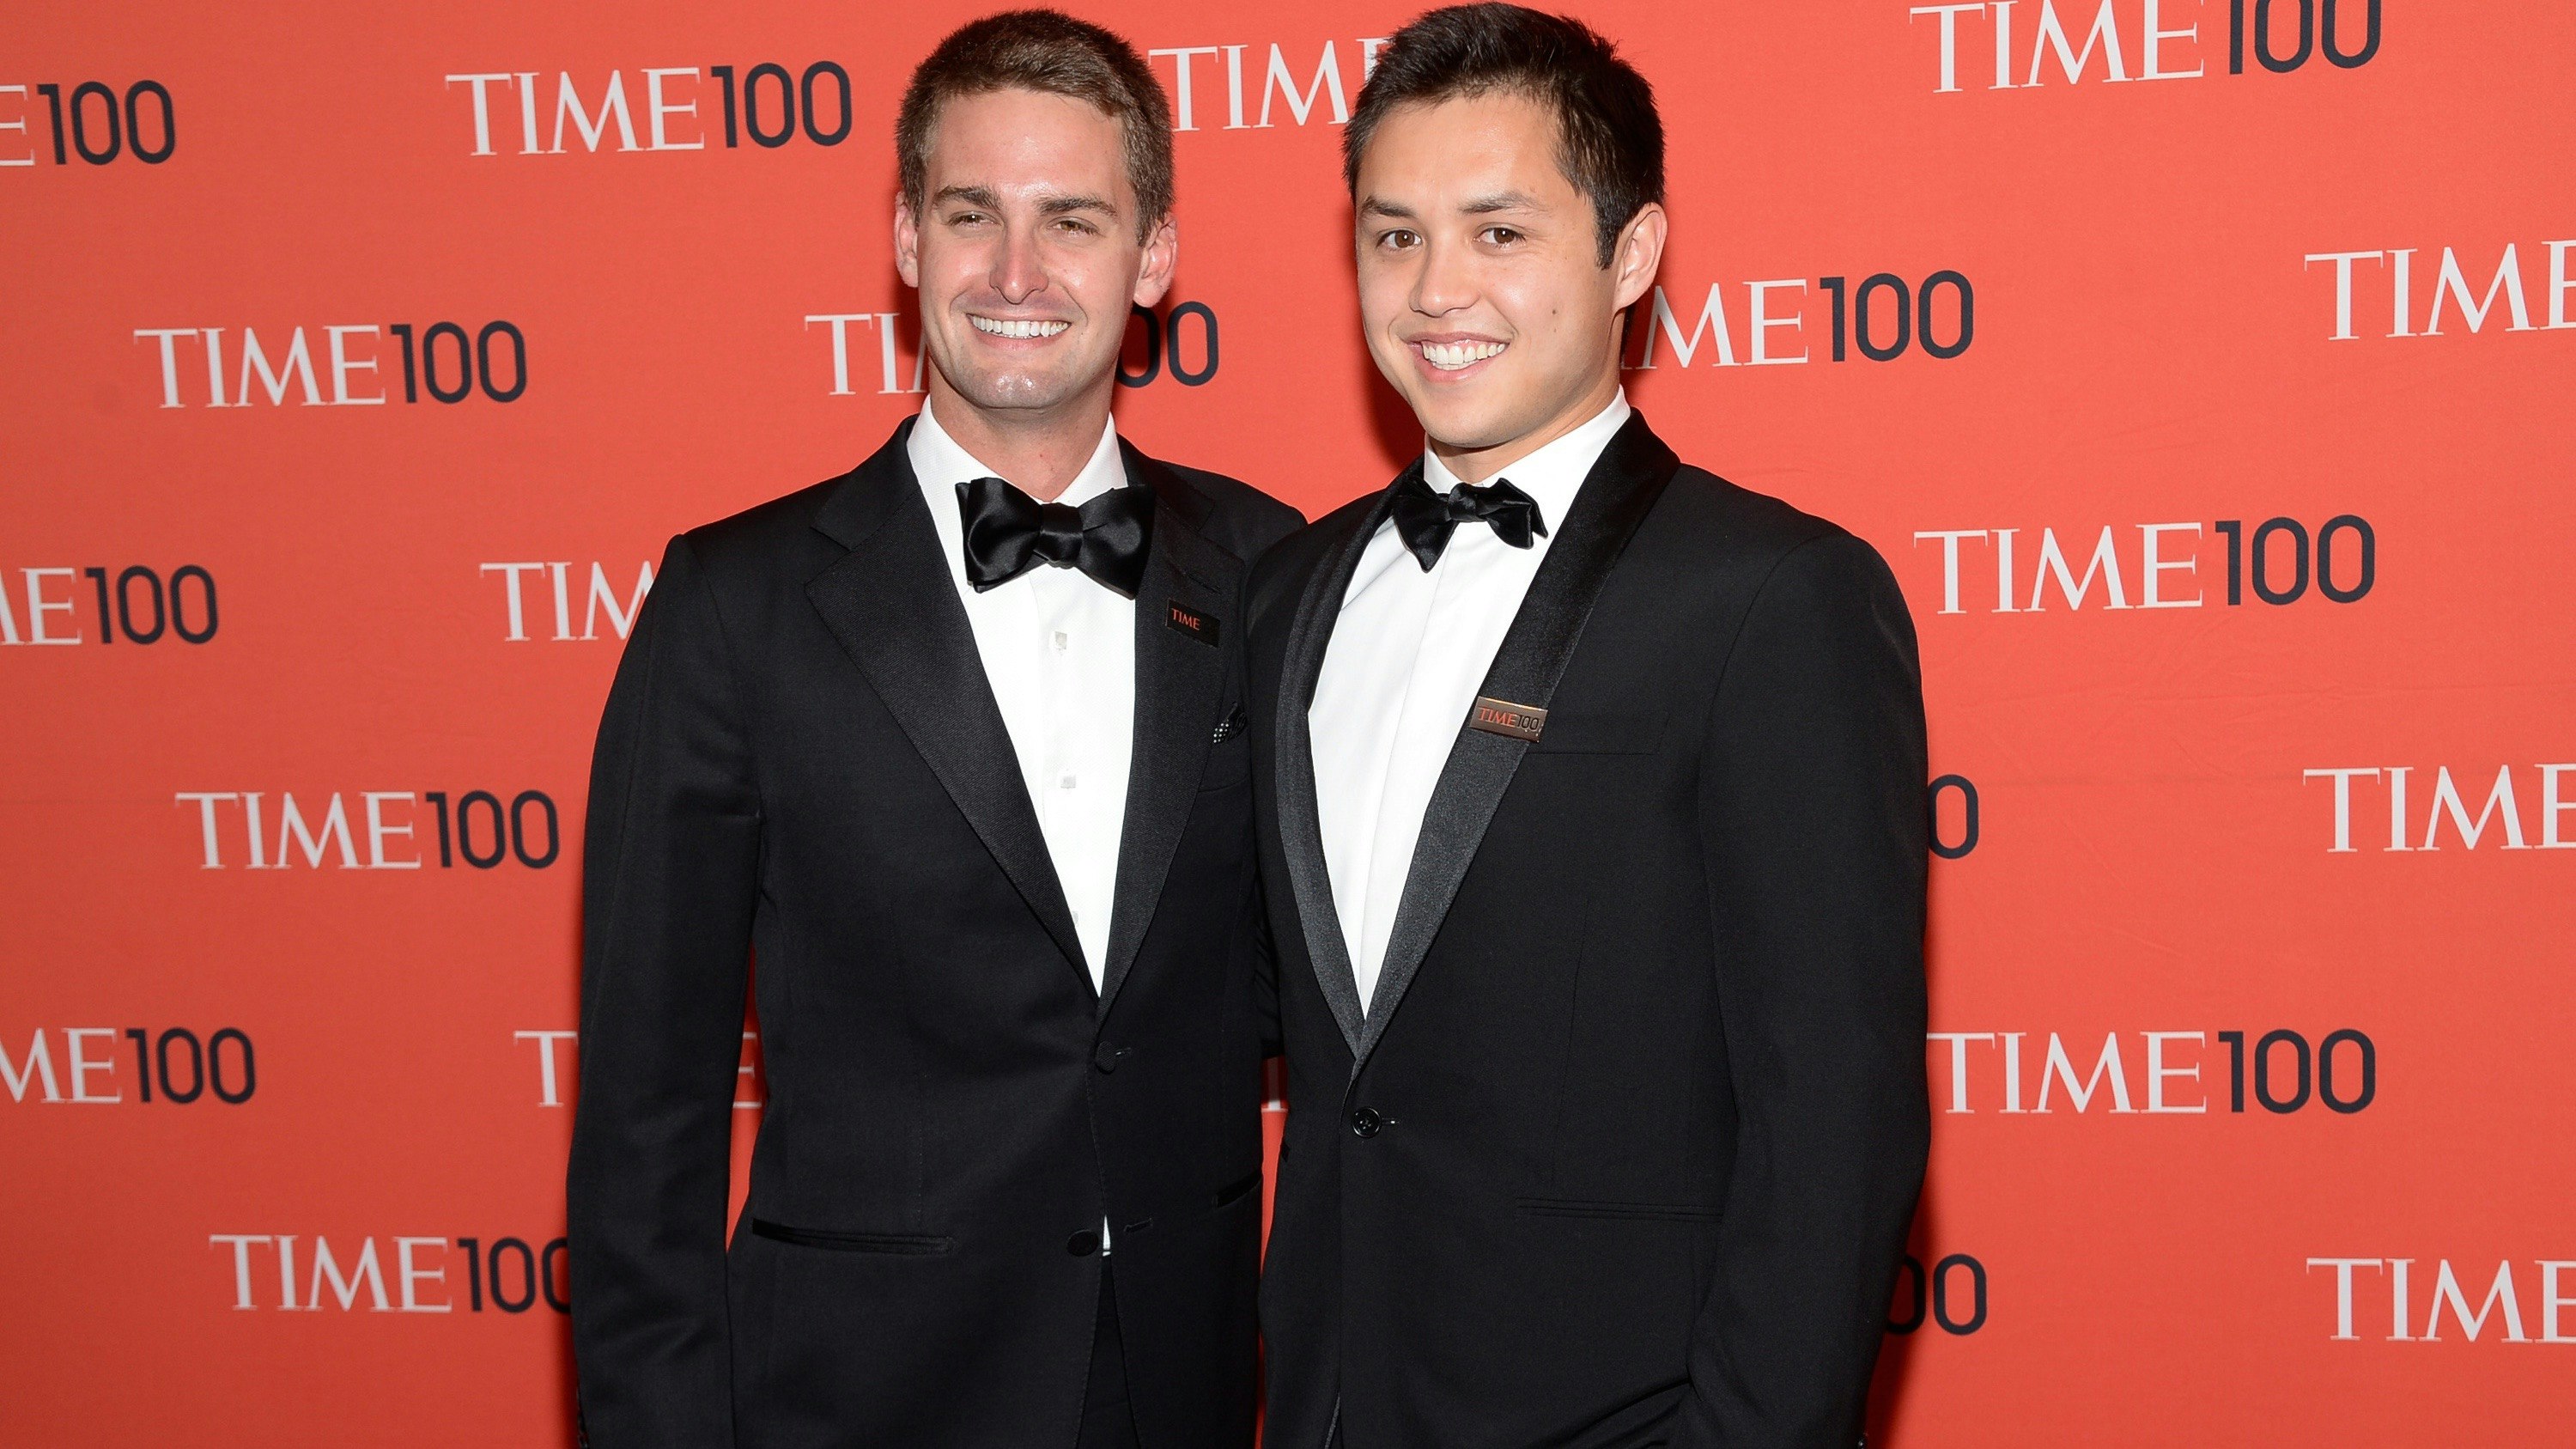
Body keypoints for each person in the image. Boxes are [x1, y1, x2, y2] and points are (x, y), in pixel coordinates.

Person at [566, 12, 1299, 1447]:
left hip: (1182, 1388)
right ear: (905, 237)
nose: (1018, 274)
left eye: (1073, 220)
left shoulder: (1274, 571)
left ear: (1153, 258)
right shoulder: (738, 603)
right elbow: (642, 1122)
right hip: (855, 1397)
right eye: (973, 215)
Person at [1244, 6, 1931, 1446]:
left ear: (1630, 255)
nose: (1438, 290)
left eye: (1500, 234)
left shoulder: (1773, 599)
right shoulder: (1291, 591)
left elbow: (1835, 1126)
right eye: (1394, 235)